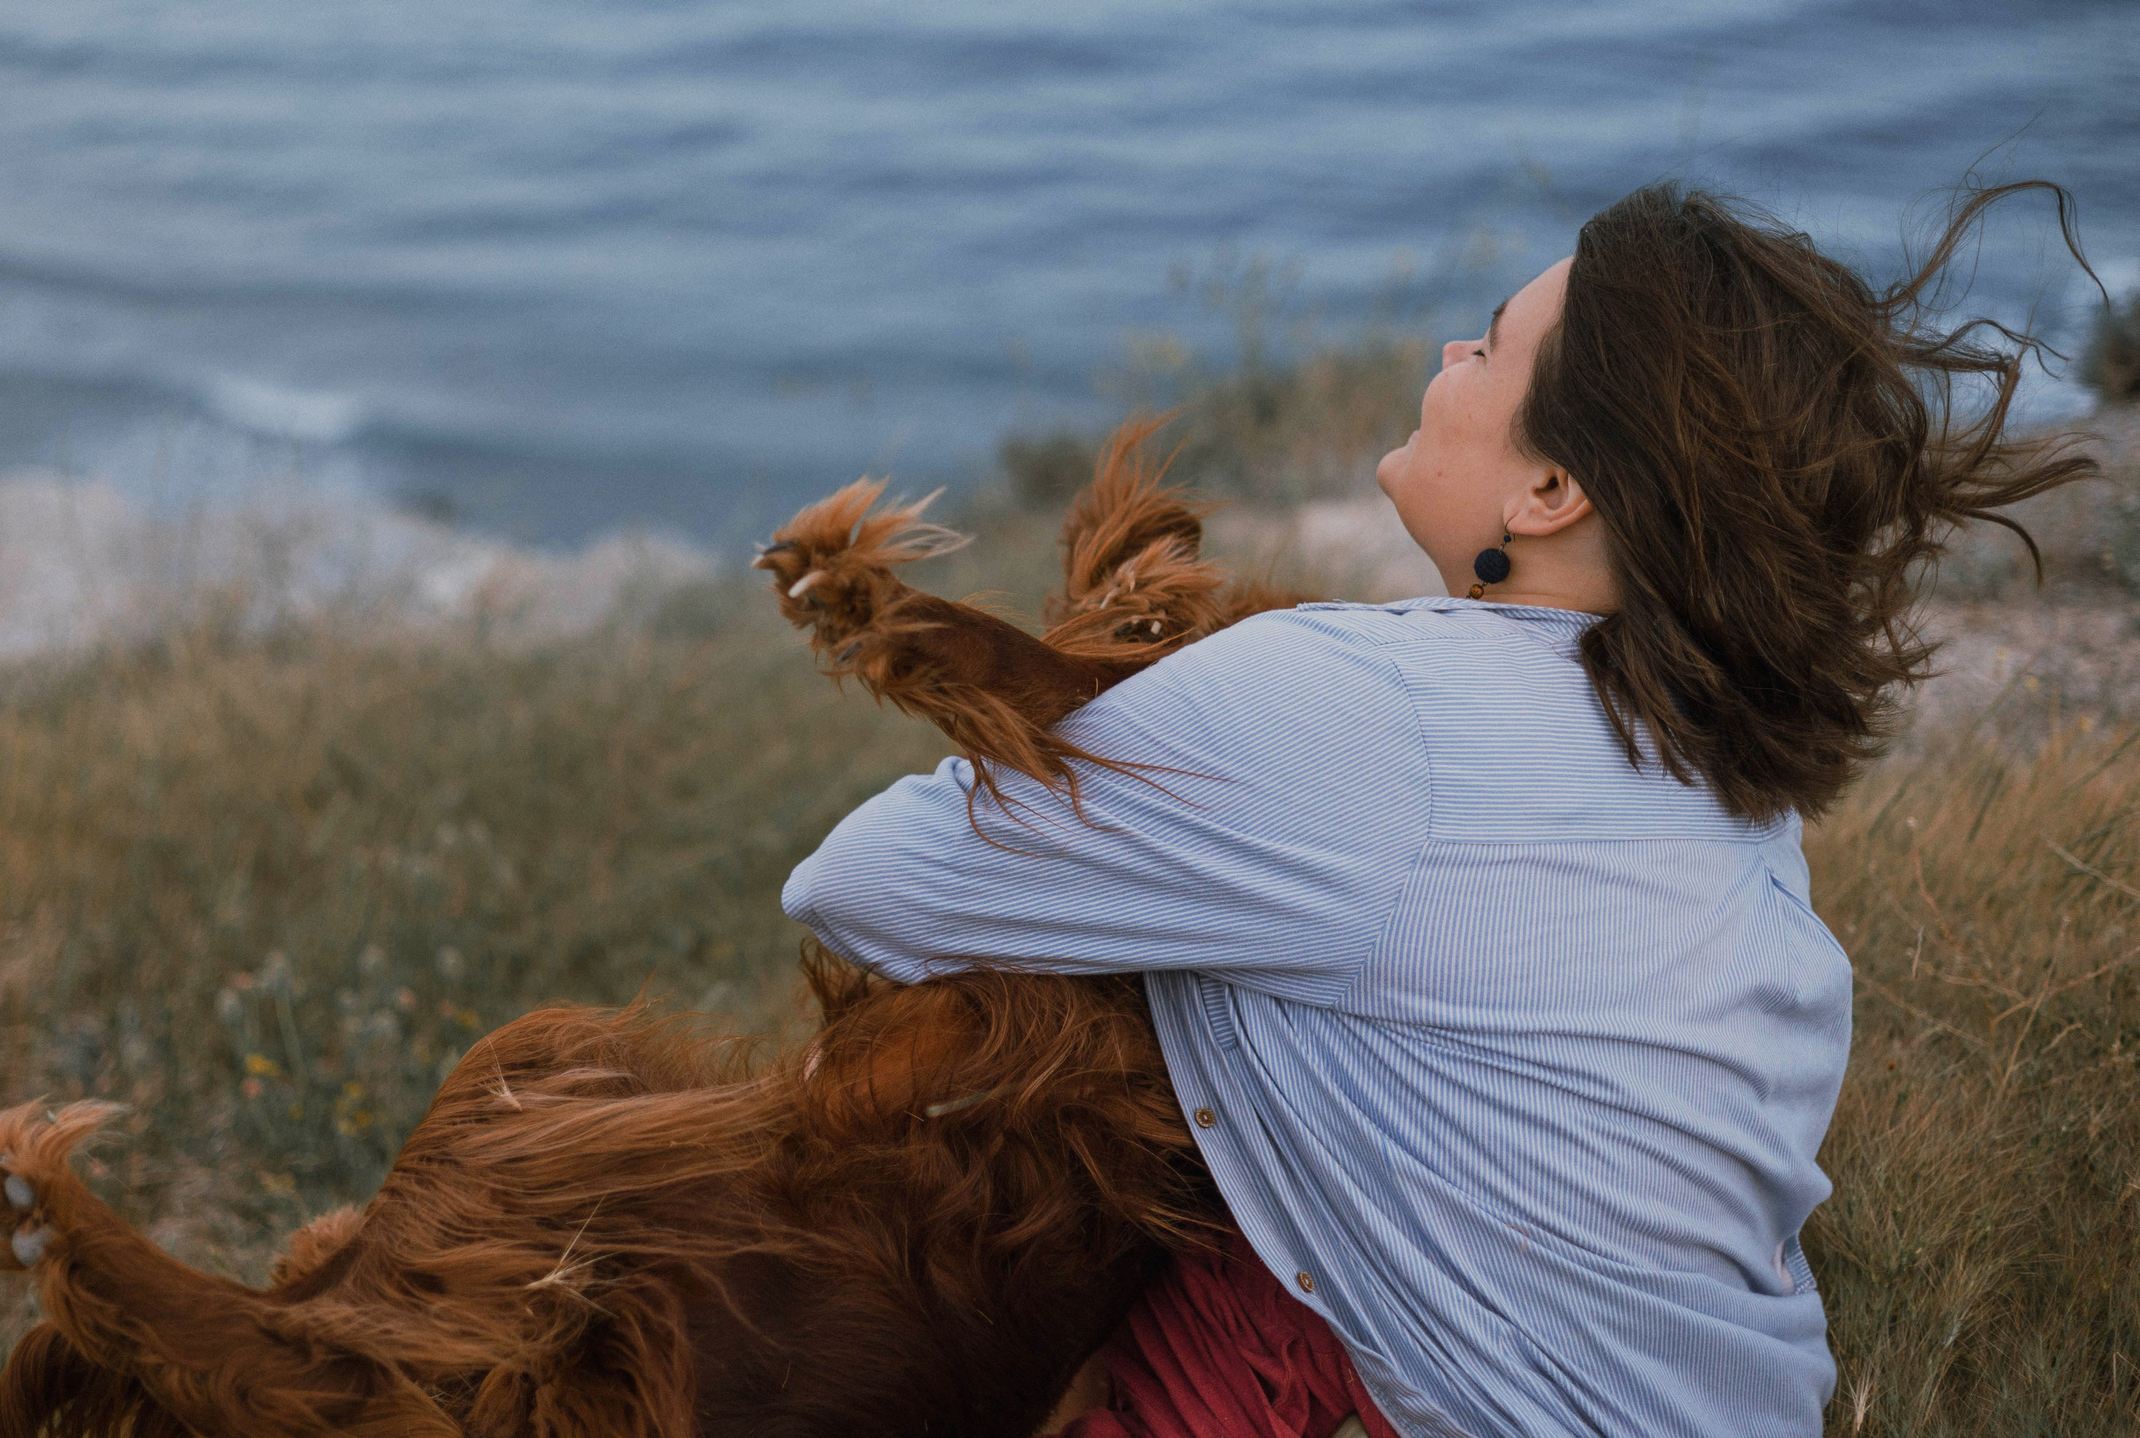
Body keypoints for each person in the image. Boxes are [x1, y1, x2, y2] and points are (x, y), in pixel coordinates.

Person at [782, 181, 2098, 1437]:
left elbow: (866, 882)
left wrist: (1192, 924)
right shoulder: (1726, 790)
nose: (1452, 348)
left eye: (1496, 345)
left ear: (1549, 494)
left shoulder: (1365, 708)